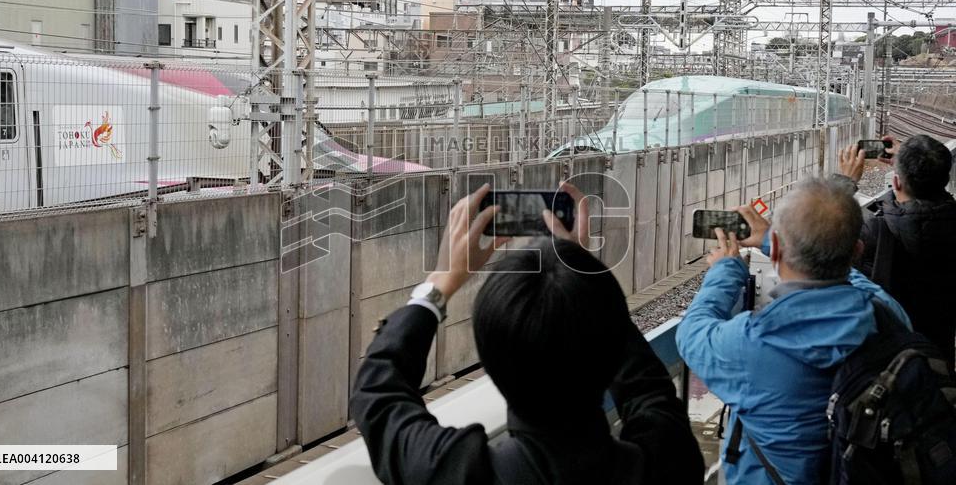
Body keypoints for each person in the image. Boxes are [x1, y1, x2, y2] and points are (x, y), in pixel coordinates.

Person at [351, 182, 705, 485]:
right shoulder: (668, 464)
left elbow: (378, 393)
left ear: (490, 362)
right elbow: (649, 390)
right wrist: (578, 280)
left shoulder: (451, 472)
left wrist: (441, 281)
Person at [676, 178, 910, 485]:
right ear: (857, 251)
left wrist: (726, 269)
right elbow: (867, 287)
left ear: (776, 255)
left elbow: (691, 333)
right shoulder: (888, 316)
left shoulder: (752, 341)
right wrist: (777, 240)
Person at [838, 135, 956, 367]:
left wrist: (844, 183)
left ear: (896, 183)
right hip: (939, 356)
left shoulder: (873, 230)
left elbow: (818, 242)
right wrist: (919, 161)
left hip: (887, 364)